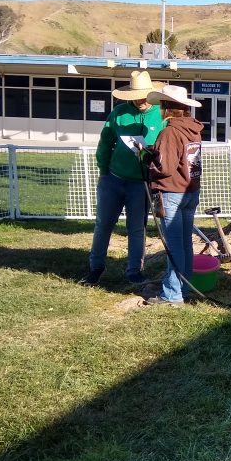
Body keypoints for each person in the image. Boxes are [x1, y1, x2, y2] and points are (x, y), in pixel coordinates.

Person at [80, 70, 166, 286]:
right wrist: (104, 171)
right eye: (136, 96)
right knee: (103, 224)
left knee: (137, 228)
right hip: (113, 180)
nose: (140, 100)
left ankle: (134, 270)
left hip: (141, 185)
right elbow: (105, 142)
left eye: (144, 95)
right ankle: (95, 268)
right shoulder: (118, 113)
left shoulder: (161, 115)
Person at [142, 84, 204, 306]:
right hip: (190, 191)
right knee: (185, 242)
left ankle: (172, 295)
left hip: (173, 192)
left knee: (174, 244)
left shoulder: (169, 131)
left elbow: (165, 168)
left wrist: (148, 160)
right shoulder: (193, 129)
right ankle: (183, 287)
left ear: (166, 108)